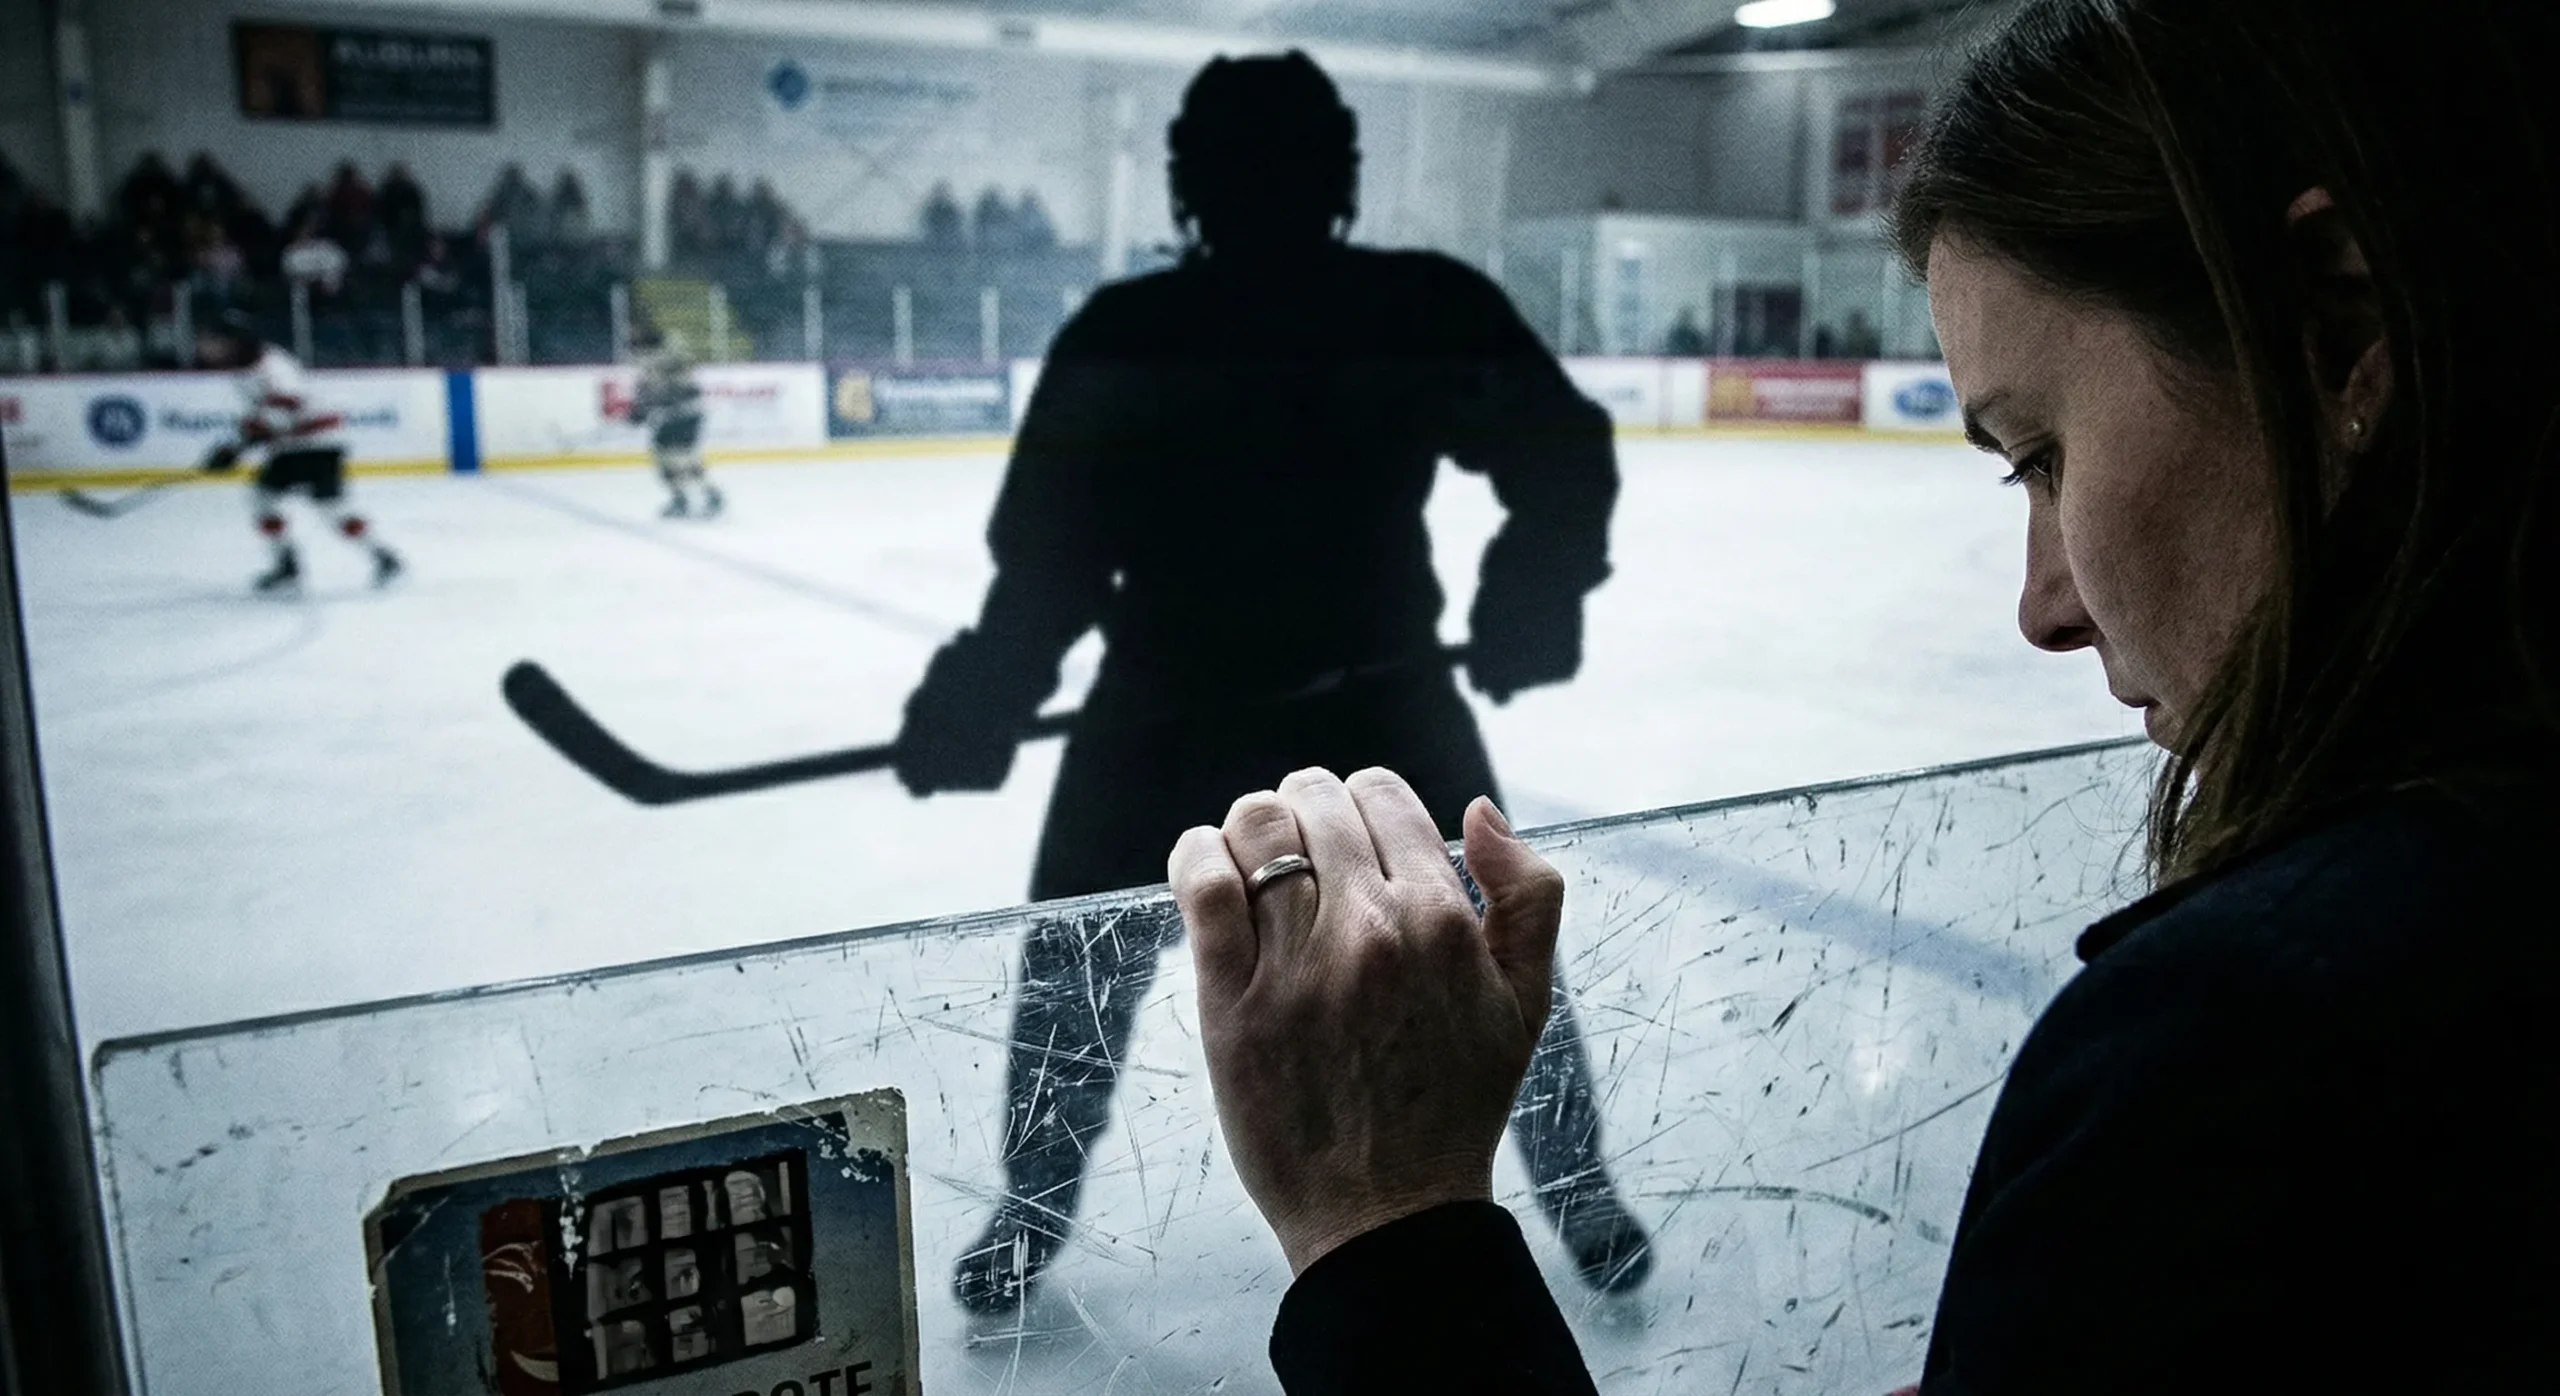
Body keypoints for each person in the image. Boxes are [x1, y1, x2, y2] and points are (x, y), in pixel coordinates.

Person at [1165, 0, 2559, 1391]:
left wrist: (1389, 1230)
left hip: (1388, 681)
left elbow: (1557, 455)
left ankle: (1585, 1209)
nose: (2044, 607)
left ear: (2333, 330)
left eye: (2043, 455)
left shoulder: (2259, 1050)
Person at [895, 50, 1645, 1320]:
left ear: (1184, 187)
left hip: (1221, 712)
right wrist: (983, 690)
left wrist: (987, 688)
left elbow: (1047, 565)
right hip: (1331, 708)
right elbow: (1049, 558)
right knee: (1440, 942)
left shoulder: (1137, 332)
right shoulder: (1404, 306)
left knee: (1101, 966)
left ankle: (1031, 1210)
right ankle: (1034, 1206)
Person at [199, 312, 403, 592]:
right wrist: (236, 445)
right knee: (268, 499)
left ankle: (381, 557)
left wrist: (238, 447)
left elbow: (285, 409)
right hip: (293, 446)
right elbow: (263, 415)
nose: (208, 346)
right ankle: (293, 564)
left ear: (234, 341)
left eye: (214, 340)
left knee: (328, 508)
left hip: (317, 443)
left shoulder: (274, 365)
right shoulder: (244, 368)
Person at [625, 327, 719, 518]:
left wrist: (642, 411)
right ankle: (706, 494)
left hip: (680, 414)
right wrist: (643, 409)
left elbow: (662, 389)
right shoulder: (671, 353)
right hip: (689, 413)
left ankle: (688, 497)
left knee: (671, 455)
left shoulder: (657, 361)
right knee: (682, 455)